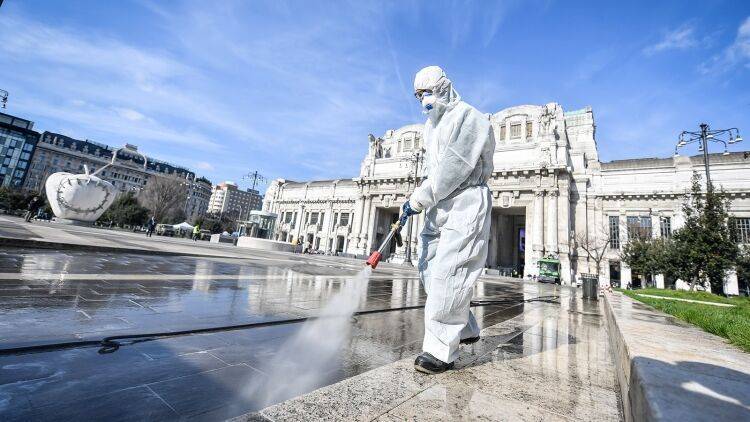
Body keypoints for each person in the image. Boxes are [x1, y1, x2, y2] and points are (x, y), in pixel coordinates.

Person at [401, 66, 495, 375]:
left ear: (444, 87)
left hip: (465, 202)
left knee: (449, 273)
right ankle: (465, 327)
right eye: (418, 95)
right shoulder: (430, 127)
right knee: (427, 267)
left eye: (427, 92)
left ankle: (440, 351)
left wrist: (419, 198)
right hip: (438, 205)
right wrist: (421, 198)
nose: (423, 100)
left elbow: (455, 167)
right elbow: (432, 172)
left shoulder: (471, 118)